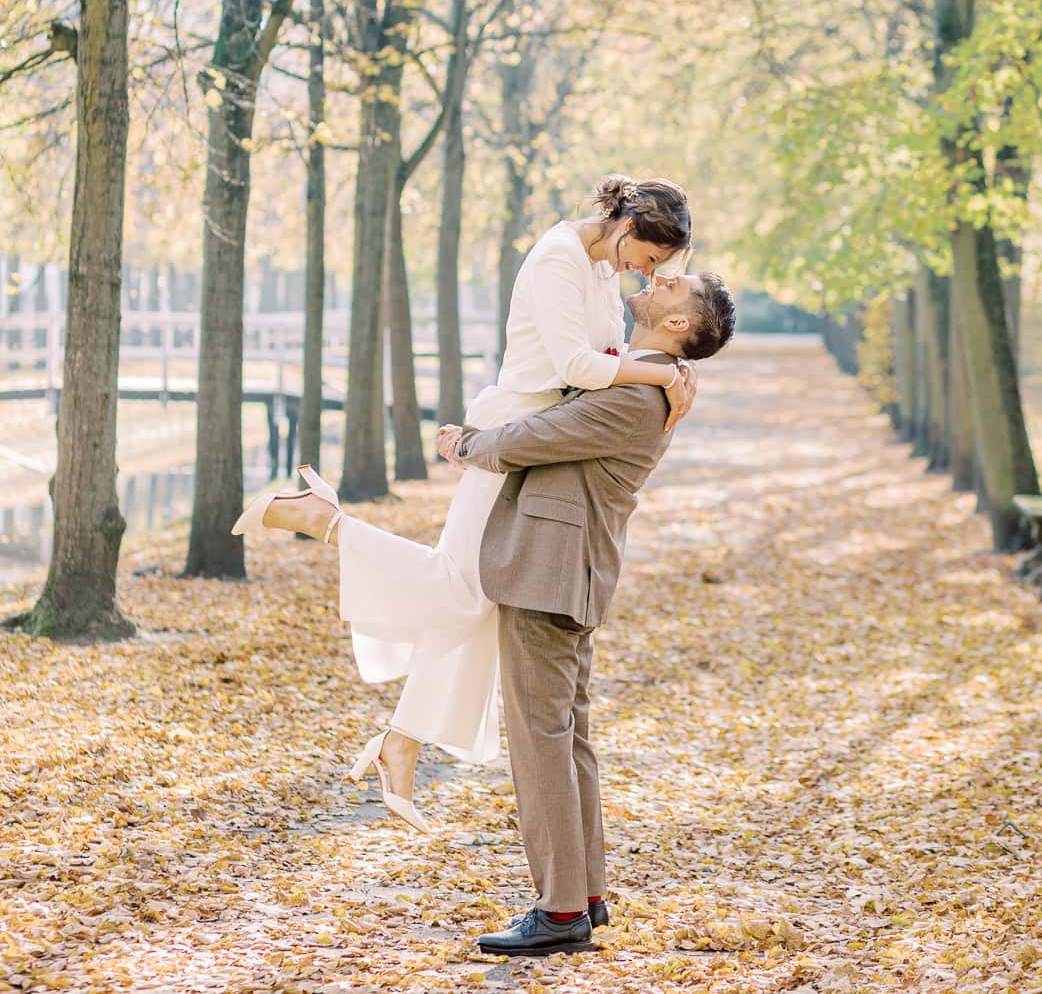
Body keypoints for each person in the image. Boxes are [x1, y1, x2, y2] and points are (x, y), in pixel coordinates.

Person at [232, 174, 696, 830]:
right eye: (648, 257)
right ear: (628, 227)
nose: (643, 272)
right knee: (459, 587)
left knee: (479, 603)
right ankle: (320, 519)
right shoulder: (559, 257)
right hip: (512, 433)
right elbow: (577, 365)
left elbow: (607, 352)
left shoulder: (597, 268)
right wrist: (664, 372)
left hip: (539, 445)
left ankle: (401, 742)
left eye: (655, 268)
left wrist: (670, 369)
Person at [438, 268, 737, 958]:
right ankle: (587, 893)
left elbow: (536, 435)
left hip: (550, 573)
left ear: (680, 325)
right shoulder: (645, 380)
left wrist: (464, 445)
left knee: (542, 738)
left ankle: (562, 907)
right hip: (564, 570)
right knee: (567, 737)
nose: (657, 280)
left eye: (673, 285)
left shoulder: (638, 394)